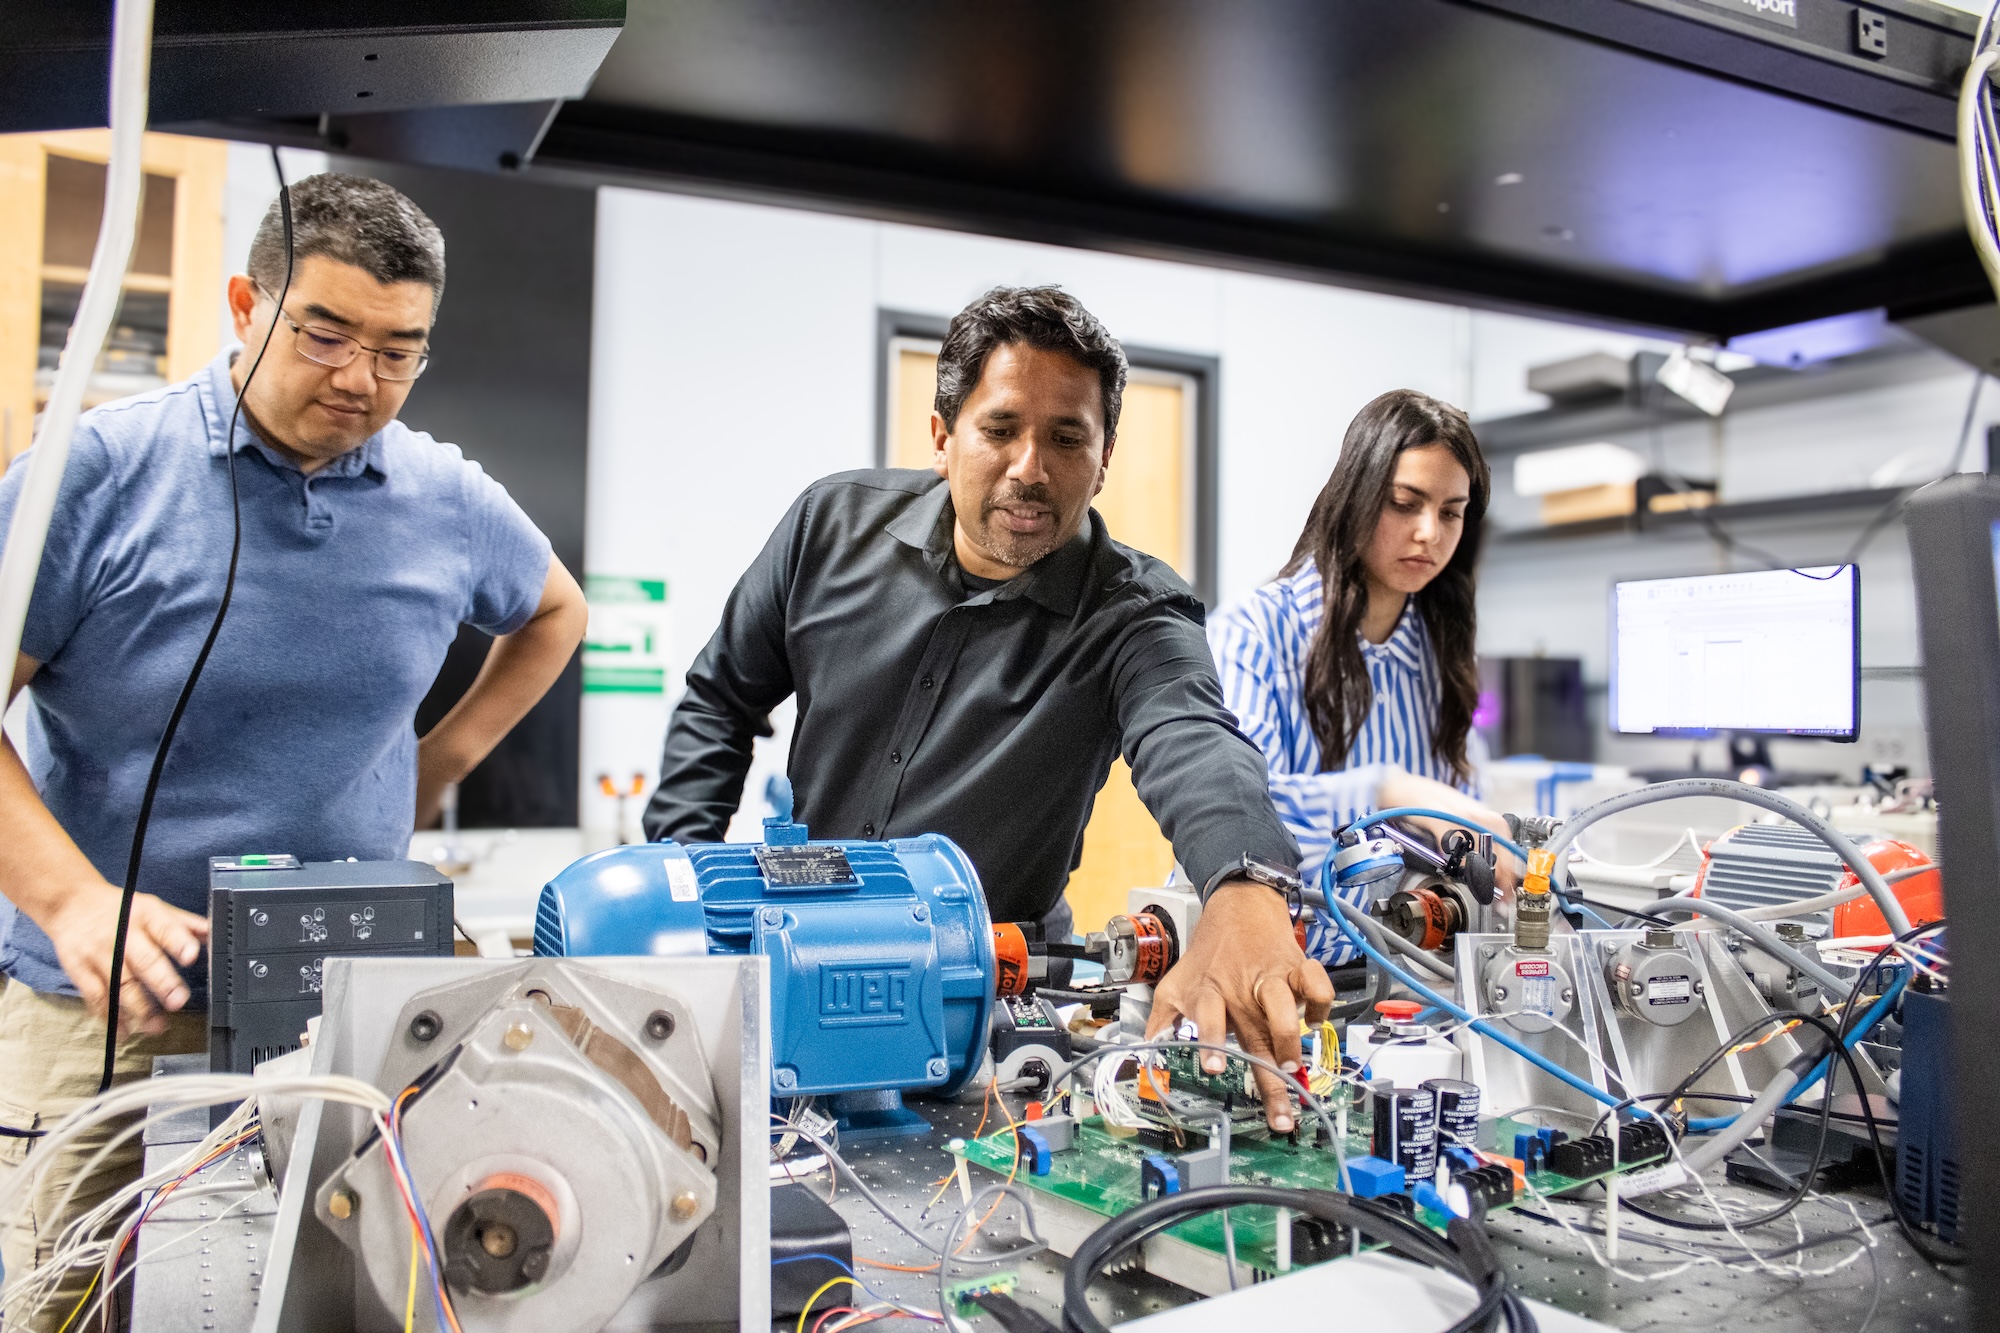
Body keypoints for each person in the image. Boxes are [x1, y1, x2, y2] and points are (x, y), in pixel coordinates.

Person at [0, 173, 587, 1327]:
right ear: (244, 301)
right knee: (68, 1299)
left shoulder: (443, 496)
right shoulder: (95, 475)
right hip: (103, 1007)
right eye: (324, 334)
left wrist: (435, 765)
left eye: (398, 350)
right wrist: (71, 899)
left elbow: (554, 611)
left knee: (330, 1291)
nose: (360, 379)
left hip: (338, 1008)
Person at [645, 285, 1330, 1129]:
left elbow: (1192, 736)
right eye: (1001, 429)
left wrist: (1245, 887)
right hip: (797, 958)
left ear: (1104, 457)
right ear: (943, 438)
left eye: (1067, 436)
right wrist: (678, 889)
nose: (1030, 468)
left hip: (987, 1005)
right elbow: (720, 699)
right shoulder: (829, 529)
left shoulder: (1135, 613)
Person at [1207, 388, 1512, 966]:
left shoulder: (1437, 654)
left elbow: (1465, 825)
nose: (1430, 532)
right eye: (1405, 503)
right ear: (1356, 496)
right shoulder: (1253, 632)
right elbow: (1235, 813)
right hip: (1261, 969)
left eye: (1451, 512)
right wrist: (1387, 793)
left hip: (1402, 978)